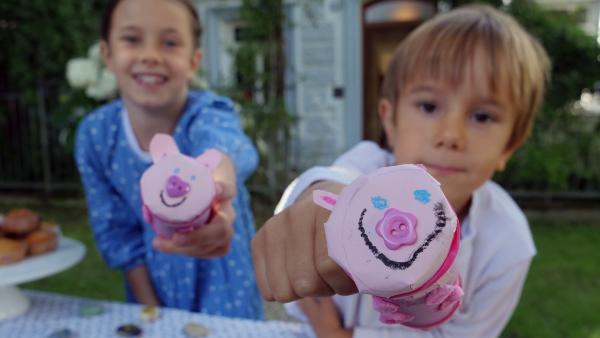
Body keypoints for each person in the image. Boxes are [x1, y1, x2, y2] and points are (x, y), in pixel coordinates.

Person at [252, 4, 550, 337]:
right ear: (390, 121)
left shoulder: (507, 240)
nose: (450, 135)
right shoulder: (368, 166)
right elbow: (333, 182)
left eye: (482, 116)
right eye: (428, 106)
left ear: (509, 145)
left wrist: (339, 335)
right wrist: (321, 202)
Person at [74, 0, 263, 319]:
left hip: (227, 286)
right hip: (151, 288)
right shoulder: (96, 136)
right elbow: (117, 234)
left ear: (193, 61)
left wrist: (217, 187)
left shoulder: (207, 113)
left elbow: (226, 147)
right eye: (132, 39)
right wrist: (154, 312)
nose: (150, 55)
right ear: (107, 54)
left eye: (170, 42)